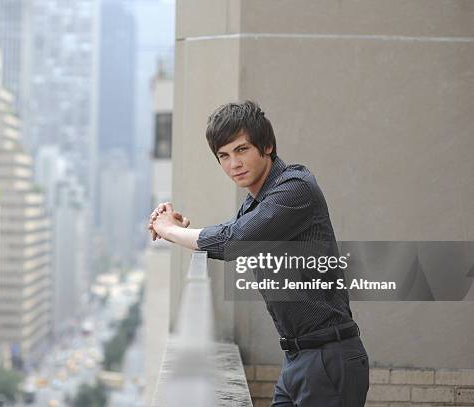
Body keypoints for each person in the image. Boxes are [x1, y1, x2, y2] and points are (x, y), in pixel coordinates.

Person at [148, 101, 369, 406]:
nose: (233, 164)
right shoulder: (257, 201)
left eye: (242, 150)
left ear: (266, 146)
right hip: (297, 359)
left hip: (328, 358)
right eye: (223, 156)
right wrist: (181, 231)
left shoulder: (296, 187)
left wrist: (170, 231)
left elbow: (237, 239)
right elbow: (234, 232)